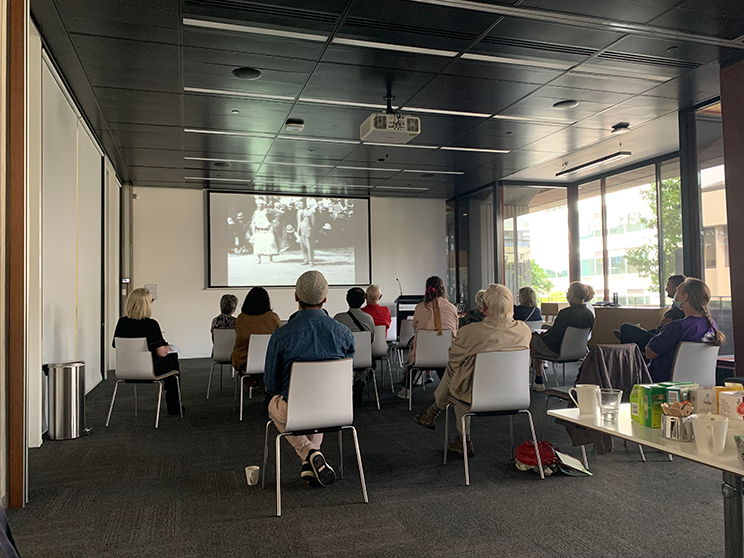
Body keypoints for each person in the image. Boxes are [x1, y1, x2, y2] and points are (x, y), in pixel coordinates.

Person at [413, 284, 531, 457]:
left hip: (475, 395)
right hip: (516, 395)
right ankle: (432, 414)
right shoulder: (524, 330)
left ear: (484, 307)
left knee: (459, 374)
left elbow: (453, 362)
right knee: (464, 373)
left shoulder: (471, 331)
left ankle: (459, 434)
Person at [264, 271, 355, 487]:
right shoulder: (343, 333)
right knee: (320, 401)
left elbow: (271, 384)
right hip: (336, 410)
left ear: (296, 297)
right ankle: (310, 463)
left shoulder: (281, 335)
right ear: (325, 299)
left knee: (273, 405)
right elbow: (347, 378)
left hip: (296, 410)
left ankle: (310, 453)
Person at [113, 288, 182, 415]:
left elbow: (115, 345)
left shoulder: (121, 322)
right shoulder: (151, 324)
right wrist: (166, 348)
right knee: (173, 361)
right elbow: (161, 353)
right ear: (145, 304)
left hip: (125, 370)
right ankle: (174, 407)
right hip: (149, 370)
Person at [645, 278, 725, 382]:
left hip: (665, 383)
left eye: (678, 292)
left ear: (685, 297)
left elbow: (650, 353)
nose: (675, 296)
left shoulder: (678, 327)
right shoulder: (711, 325)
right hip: (698, 383)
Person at [398, 276, 458, 400]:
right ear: (443, 290)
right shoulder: (452, 308)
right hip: (446, 354)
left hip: (422, 355)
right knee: (443, 355)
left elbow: (415, 327)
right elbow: (455, 330)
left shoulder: (420, 308)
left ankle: (406, 389)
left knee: (415, 349)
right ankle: (449, 388)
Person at [531, 282, 595, 392]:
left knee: (532, 340)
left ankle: (538, 380)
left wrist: (541, 337)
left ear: (573, 294)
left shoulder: (565, 314)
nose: (567, 294)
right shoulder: (589, 315)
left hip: (557, 350)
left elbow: (553, 338)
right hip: (579, 351)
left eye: (568, 292)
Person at [614, 275, 686, 352]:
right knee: (642, 331)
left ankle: (628, 343)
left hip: (659, 339)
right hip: (658, 334)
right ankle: (628, 340)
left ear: (676, 288)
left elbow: (664, 324)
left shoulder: (679, 308)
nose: (666, 289)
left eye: (668, 286)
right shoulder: (681, 307)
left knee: (625, 327)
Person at [334, 287, 376, 405]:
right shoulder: (368, 318)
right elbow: (371, 339)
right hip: (364, 359)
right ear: (363, 301)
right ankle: (360, 382)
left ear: (347, 300)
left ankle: (348, 385)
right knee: (360, 357)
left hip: (344, 360)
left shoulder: (338, 318)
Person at [231, 287, 282, 372]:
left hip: (244, 361)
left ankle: (252, 383)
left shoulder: (241, 318)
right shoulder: (273, 317)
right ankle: (261, 383)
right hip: (270, 361)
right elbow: (281, 336)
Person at [250, 198, 277, 264]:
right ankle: (259, 260)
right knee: (259, 246)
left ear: (263, 205)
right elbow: (253, 223)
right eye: (258, 205)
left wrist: (272, 223)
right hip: (259, 230)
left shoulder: (268, 211)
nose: (260, 206)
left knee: (270, 244)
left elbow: (277, 215)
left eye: (261, 205)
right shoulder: (256, 212)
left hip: (267, 230)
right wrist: (253, 233)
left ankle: (271, 259)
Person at [297, 198, 316, 266]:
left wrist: (311, 230)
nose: (300, 205)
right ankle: (305, 260)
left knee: (309, 246)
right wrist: (298, 230)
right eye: (299, 204)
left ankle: (311, 261)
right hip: (301, 230)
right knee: (303, 246)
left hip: (308, 230)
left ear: (305, 204)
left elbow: (313, 223)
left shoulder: (310, 212)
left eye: (301, 204)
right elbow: (298, 222)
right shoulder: (299, 212)